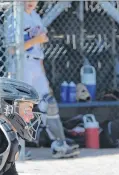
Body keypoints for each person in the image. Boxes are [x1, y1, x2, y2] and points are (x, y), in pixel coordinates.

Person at [6, 1, 79, 159]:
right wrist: (36, 40)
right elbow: (12, 48)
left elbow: (39, 49)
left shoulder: (36, 16)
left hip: (36, 64)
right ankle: (17, 149)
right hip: (21, 64)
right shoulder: (14, 18)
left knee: (49, 102)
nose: (31, 2)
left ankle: (59, 145)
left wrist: (43, 75)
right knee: (22, 107)